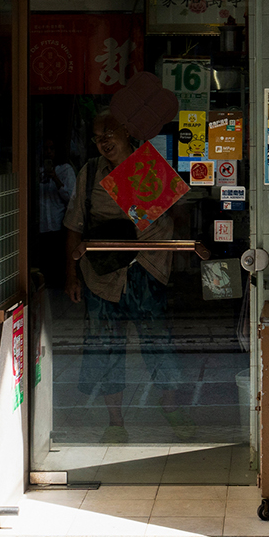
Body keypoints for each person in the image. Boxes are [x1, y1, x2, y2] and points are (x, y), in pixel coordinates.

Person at [63, 110, 209, 443]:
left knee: (158, 342)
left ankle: (172, 409)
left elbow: (182, 217)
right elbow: (73, 227)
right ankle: (115, 422)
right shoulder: (89, 174)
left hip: (148, 267)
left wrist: (162, 201)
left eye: (109, 133)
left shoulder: (151, 165)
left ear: (127, 132)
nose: (103, 141)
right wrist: (71, 275)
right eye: (97, 136)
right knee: (105, 347)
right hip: (103, 273)